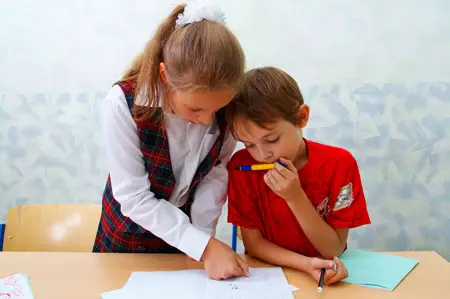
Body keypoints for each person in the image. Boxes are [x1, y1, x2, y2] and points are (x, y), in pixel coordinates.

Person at [93, 2, 249, 280]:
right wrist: (203, 246)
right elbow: (134, 197)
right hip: (125, 243)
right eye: (196, 110)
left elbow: (215, 173)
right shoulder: (123, 103)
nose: (206, 120)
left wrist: (201, 240)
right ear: (165, 77)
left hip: (185, 242)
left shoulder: (225, 109)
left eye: (216, 110)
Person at [226, 67, 371, 285]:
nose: (263, 155)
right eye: (249, 145)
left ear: (302, 117)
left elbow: (334, 248)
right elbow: (254, 245)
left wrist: (295, 197)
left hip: (325, 274)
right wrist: (305, 264)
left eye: (272, 139)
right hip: (265, 276)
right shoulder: (240, 167)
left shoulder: (340, 164)